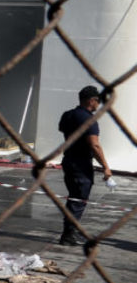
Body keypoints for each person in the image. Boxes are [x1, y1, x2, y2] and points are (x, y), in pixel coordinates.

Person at [56, 85, 113, 246]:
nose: (99, 105)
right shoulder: (89, 120)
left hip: (69, 161)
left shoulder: (68, 115)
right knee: (79, 200)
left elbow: (62, 129)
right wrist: (106, 167)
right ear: (92, 100)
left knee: (74, 197)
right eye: (98, 101)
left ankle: (71, 231)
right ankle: (68, 235)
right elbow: (94, 145)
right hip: (81, 164)